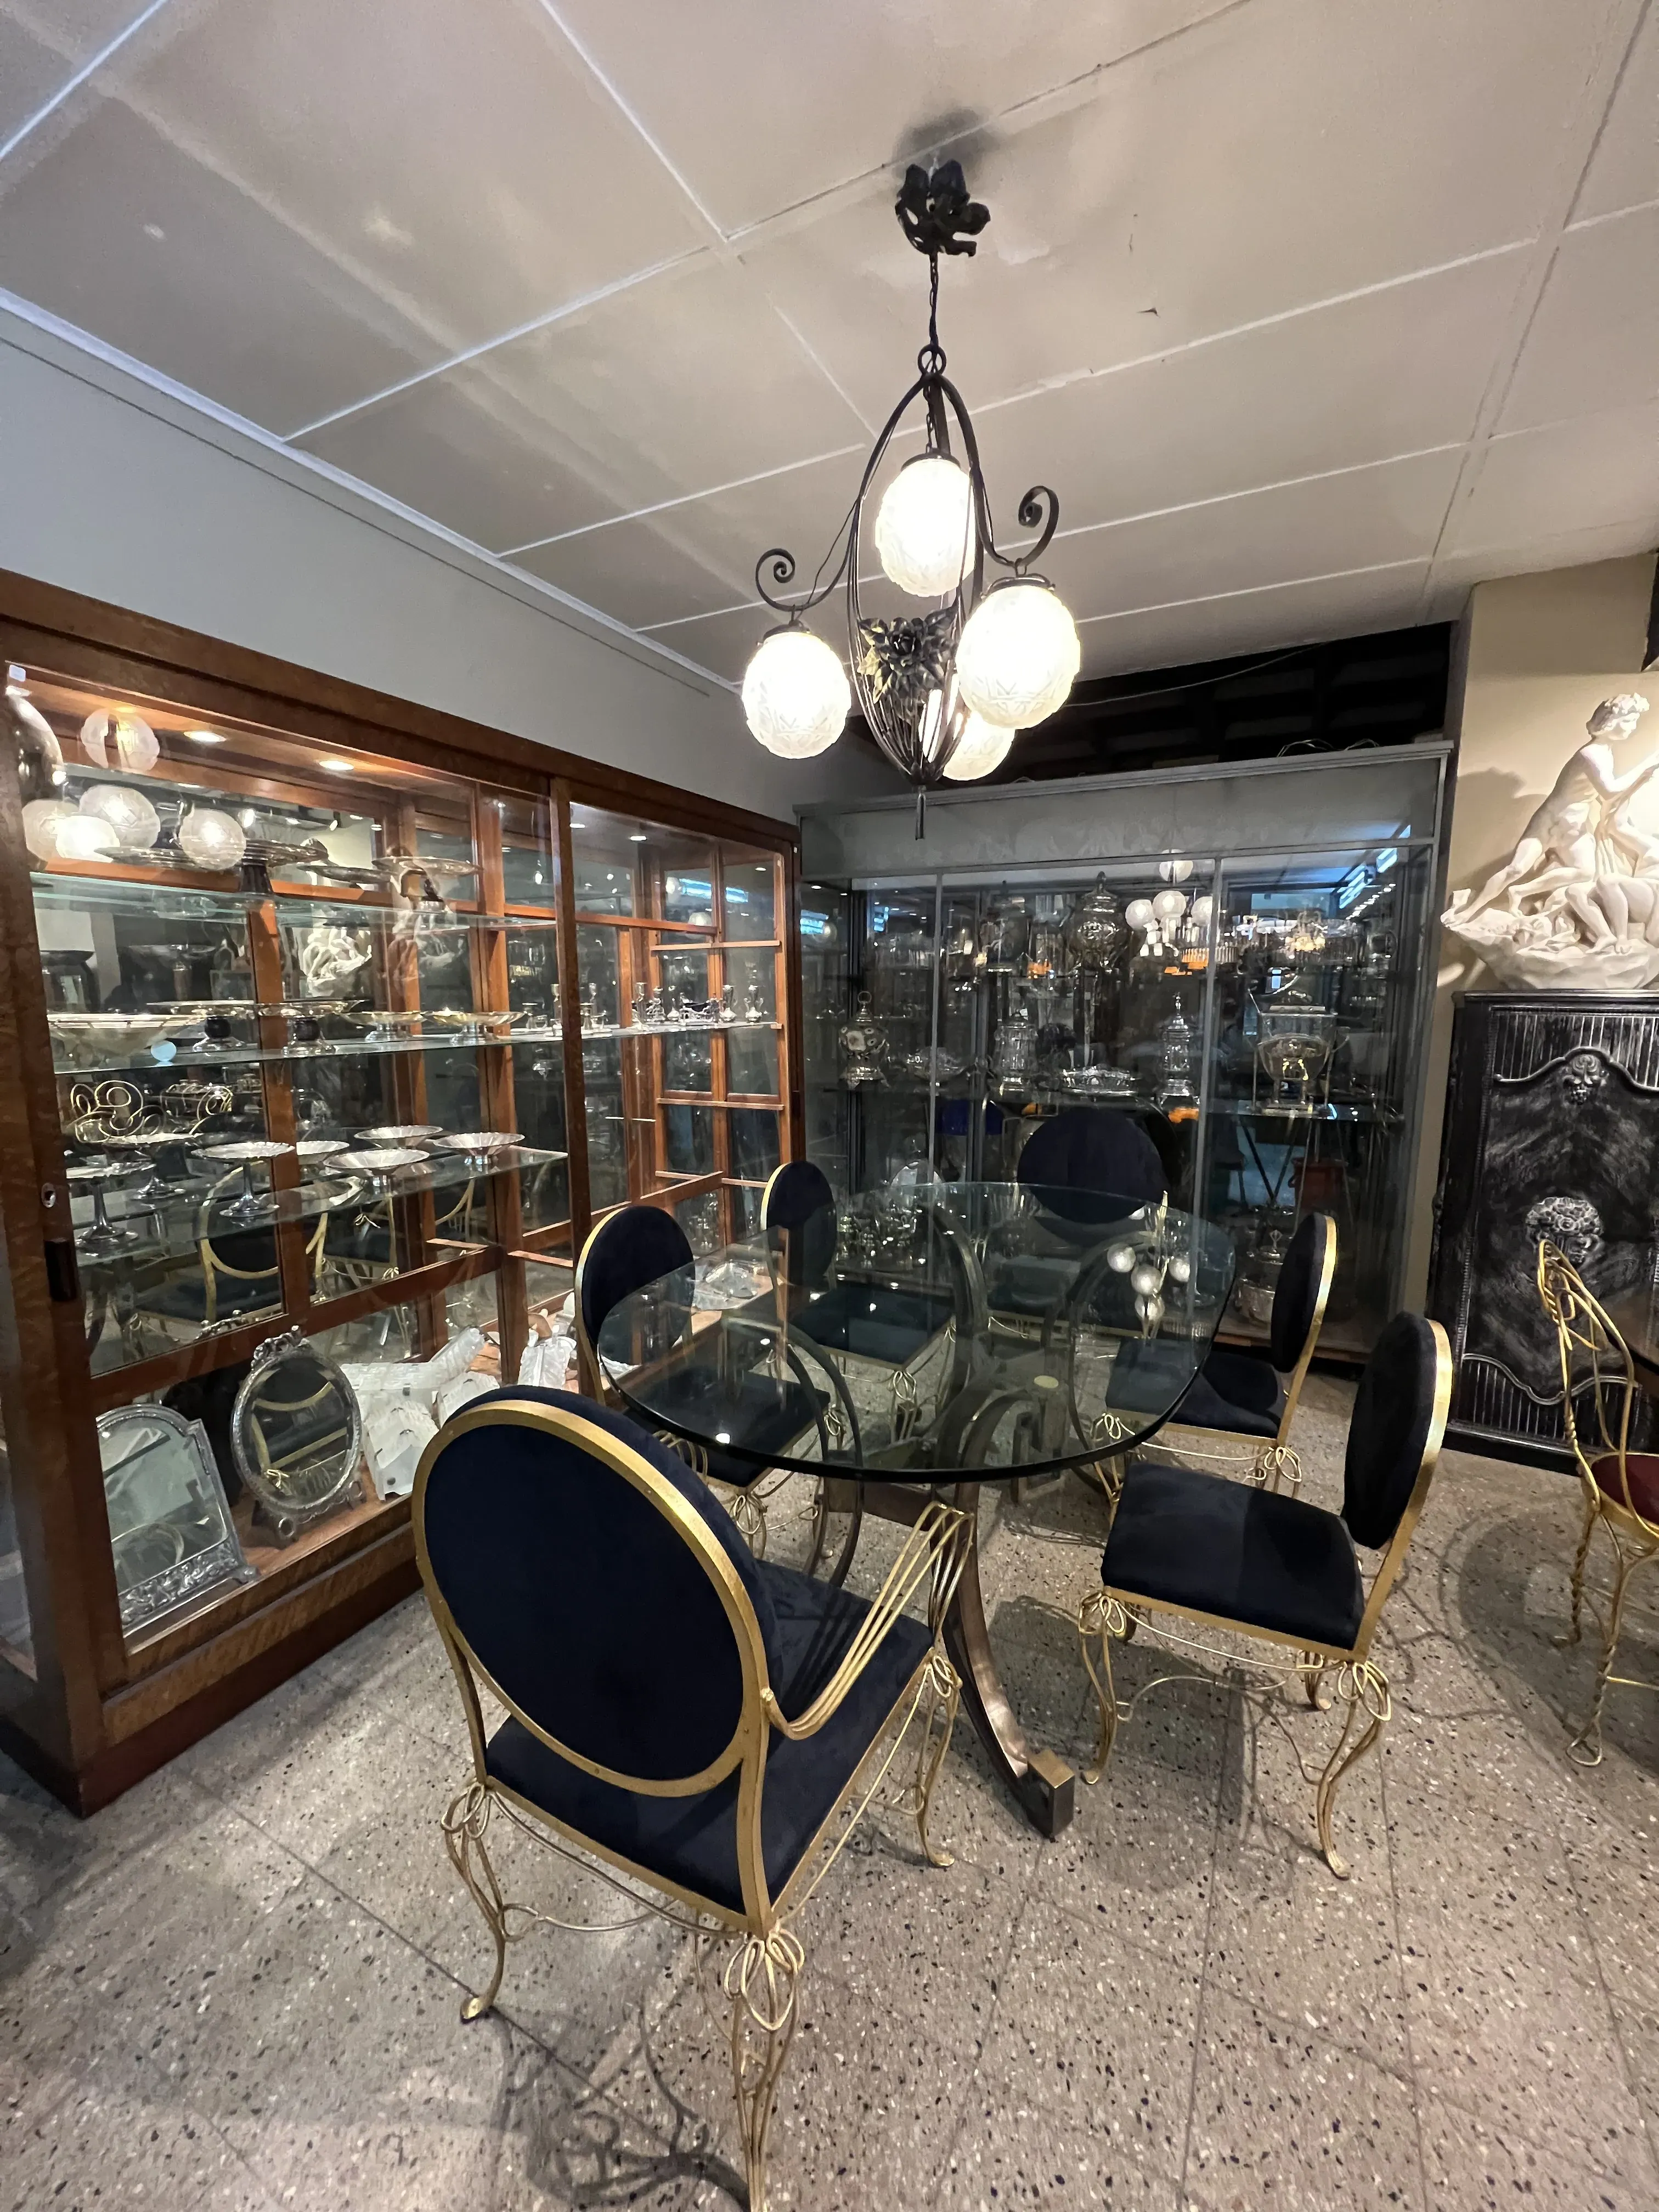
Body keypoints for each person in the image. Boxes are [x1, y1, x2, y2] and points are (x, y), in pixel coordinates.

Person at [1458, 693, 1656, 944]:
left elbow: (1602, 796)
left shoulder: (1605, 753)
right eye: (1629, 720)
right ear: (1610, 721)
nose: (1633, 727)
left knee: (1586, 872)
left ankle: (1520, 892)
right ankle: (1468, 912)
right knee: (1516, 868)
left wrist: (1633, 791)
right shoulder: (1591, 754)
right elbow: (1609, 791)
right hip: (1552, 822)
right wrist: (1645, 768)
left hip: (1575, 828)